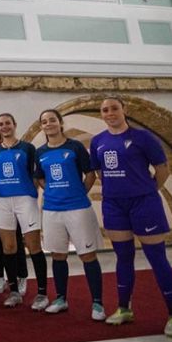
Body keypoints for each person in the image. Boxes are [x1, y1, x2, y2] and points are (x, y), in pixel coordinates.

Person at [90, 97, 172, 337]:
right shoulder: (98, 141)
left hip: (144, 203)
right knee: (123, 257)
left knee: (157, 257)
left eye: (114, 108)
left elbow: (163, 169)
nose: (109, 112)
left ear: (124, 110)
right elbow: (100, 172)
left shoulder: (143, 138)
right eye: (105, 110)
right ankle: (124, 308)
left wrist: (148, 189)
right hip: (114, 205)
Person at [34, 109, 105, 320]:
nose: (49, 124)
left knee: (87, 254)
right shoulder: (40, 152)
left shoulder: (75, 146)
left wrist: (79, 192)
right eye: (44, 121)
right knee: (58, 254)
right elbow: (40, 177)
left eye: (52, 120)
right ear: (42, 127)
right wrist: (53, 192)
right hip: (52, 209)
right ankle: (61, 298)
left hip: (78, 208)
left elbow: (90, 173)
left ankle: (98, 304)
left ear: (60, 123)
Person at [0, 113, 49, 310]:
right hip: (3, 200)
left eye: (8, 123)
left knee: (33, 246)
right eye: (1, 124)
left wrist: (31, 192)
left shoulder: (27, 148)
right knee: (8, 247)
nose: (4, 127)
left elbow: (36, 173)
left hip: (25, 199)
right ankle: (14, 291)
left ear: (14, 125)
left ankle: (42, 293)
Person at [0, 115, 28, 296]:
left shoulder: (11, 148)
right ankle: (0, 275)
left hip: (12, 199)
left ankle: (21, 275)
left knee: (15, 240)